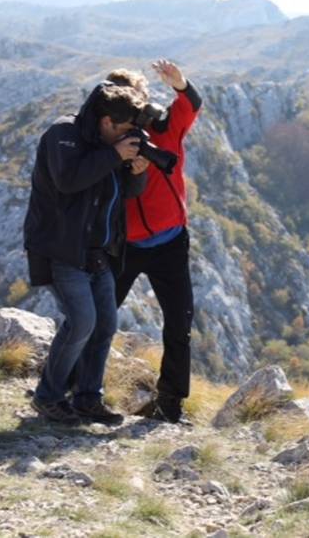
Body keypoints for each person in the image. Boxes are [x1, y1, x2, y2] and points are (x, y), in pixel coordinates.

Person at [23, 82, 150, 425]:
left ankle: (88, 399)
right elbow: (67, 180)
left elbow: (123, 192)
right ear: (106, 121)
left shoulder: (110, 145)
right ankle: (48, 397)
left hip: (99, 252)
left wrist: (137, 174)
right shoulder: (63, 134)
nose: (129, 136)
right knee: (82, 322)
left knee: (105, 325)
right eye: (124, 129)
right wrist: (114, 155)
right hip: (63, 249)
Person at [107, 59, 202, 424]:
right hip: (124, 246)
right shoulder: (110, 143)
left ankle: (170, 405)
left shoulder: (165, 130)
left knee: (179, 323)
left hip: (170, 243)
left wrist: (181, 83)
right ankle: (72, 387)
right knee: (97, 317)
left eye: (139, 101)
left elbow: (190, 106)